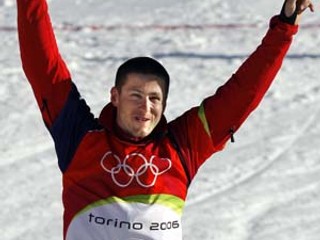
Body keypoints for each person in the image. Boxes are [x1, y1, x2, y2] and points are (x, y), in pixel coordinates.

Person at [17, 0, 314, 239]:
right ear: (115, 96)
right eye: (135, 95)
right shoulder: (80, 138)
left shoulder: (181, 147)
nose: (145, 107)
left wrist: (285, 27)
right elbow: (43, 66)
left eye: (154, 98)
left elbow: (241, 95)